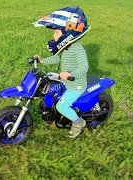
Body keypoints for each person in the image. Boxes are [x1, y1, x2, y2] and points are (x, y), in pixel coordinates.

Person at [33, 6, 91, 138]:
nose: (54, 36)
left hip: (76, 86)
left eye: (56, 33)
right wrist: (43, 61)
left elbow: (84, 67)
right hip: (65, 81)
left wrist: (71, 75)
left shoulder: (78, 50)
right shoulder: (66, 48)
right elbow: (57, 57)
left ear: (67, 34)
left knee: (62, 106)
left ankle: (78, 122)